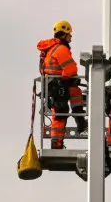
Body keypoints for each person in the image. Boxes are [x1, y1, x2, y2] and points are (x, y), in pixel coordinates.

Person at [37, 20, 88, 149]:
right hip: (59, 85)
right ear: (64, 34)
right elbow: (71, 69)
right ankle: (81, 122)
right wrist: (69, 79)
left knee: (60, 111)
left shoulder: (50, 49)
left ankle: (57, 142)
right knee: (63, 110)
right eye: (69, 33)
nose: (71, 36)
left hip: (53, 85)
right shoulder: (61, 49)